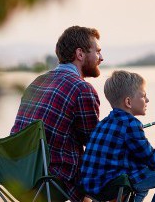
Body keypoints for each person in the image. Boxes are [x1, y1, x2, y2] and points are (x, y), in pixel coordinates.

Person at [10, 26, 104, 202]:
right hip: (52, 181)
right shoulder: (81, 88)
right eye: (97, 52)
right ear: (80, 54)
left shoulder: (37, 82)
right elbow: (95, 145)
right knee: (123, 177)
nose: (102, 58)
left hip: (20, 178)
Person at [80, 70, 155, 202]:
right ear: (128, 102)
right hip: (113, 186)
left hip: (92, 187)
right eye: (143, 96)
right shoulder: (132, 124)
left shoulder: (104, 123)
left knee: (142, 171)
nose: (147, 100)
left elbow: (126, 154)